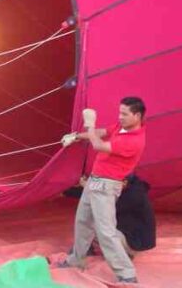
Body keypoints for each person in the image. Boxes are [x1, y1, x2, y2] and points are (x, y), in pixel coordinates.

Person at [56, 96, 148, 284]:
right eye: (119, 112)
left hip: (107, 186)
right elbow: (101, 132)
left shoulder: (134, 140)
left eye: (124, 114)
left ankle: (127, 274)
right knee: (83, 222)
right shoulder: (121, 128)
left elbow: (98, 144)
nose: (120, 117)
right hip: (94, 181)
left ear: (137, 116)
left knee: (105, 230)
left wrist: (89, 123)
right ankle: (75, 260)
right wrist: (76, 136)